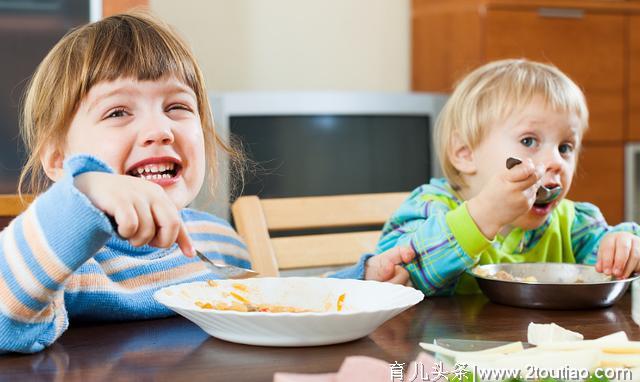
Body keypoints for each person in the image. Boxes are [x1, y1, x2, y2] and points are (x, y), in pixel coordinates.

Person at [0, 11, 413, 354]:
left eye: (177, 106)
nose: (159, 129)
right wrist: (84, 195)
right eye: (118, 112)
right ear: (58, 159)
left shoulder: (218, 238)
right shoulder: (64, 261)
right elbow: (7, 320)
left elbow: (272, 304)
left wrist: (362, 283)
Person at [375, 59, 640, 296]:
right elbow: (391, 271)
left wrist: (624, 247)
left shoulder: (575, 224)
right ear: (464, 152)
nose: (557, 161)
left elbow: (612, 272)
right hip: (442, 349)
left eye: (565, 147)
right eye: (529, 140)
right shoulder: (430, 207)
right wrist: (485, 215)